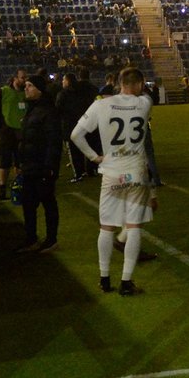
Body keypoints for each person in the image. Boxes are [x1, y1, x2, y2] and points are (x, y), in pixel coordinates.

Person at [71, 67, 156, 295]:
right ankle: (127, 282)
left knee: (107, 228)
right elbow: (142, 97)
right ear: (138, 84)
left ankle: (104, 278)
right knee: (134, 227)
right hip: (136, 172)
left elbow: (75, 135)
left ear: (119, 82)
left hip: (112, 171)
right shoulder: (144, 103)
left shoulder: (101, 105)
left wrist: (94, 157)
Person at [15, 74, 62, 253]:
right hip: (29, 165)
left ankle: (51, 239)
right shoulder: (32, 110)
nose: (26, 88)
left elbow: (53, 141)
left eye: (30, 86)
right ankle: (31, 238)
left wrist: (50, 167)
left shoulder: (48, 111)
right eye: (26, 85)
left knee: (48, 203)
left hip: (42, 166)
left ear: (39, 89)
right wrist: (20, 162)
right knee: (28, 204)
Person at [0, 69, 27, 200]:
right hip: (5, 133)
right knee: (3, 163)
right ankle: (2, 189)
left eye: (25, 78)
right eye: (22, 78)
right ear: (15, 78)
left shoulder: (26, 93)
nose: (24, 80)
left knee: (20, 163)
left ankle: (19, 188)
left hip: (21, 133)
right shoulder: (3, 91)